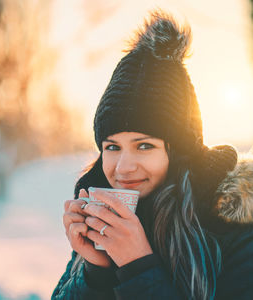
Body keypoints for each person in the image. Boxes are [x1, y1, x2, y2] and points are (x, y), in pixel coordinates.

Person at [52, 11, 253, 300]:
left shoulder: (231, 225)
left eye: (144, 145)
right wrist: (95, 271)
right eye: (112, 147)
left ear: (181, 152)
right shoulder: (103, 216)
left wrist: (138, 267)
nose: (123, 167)